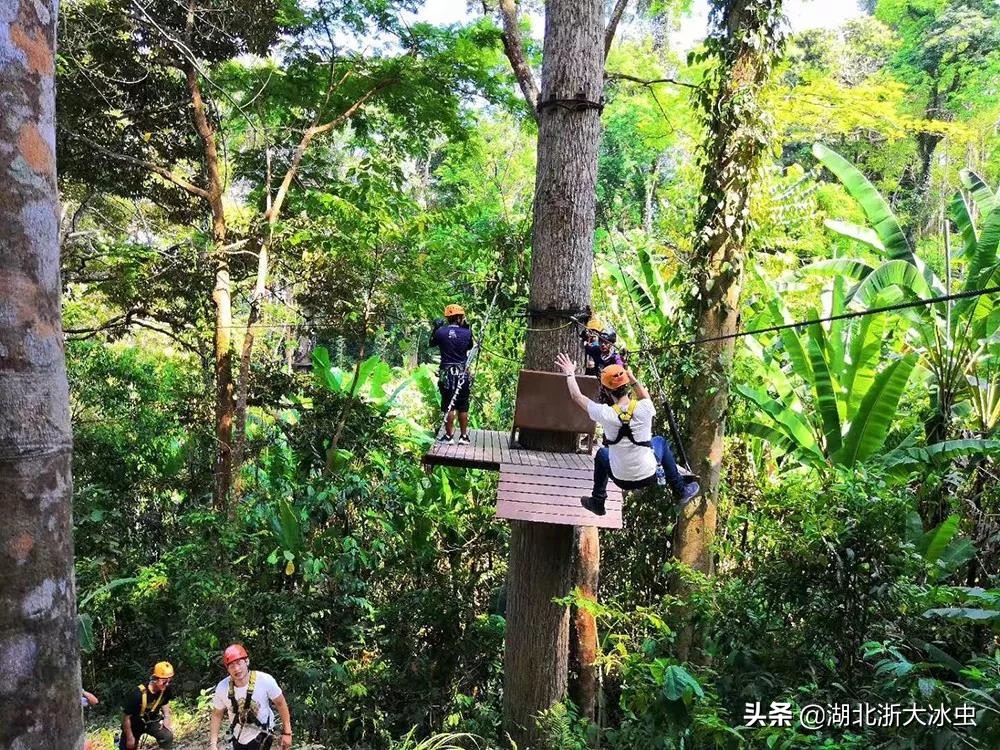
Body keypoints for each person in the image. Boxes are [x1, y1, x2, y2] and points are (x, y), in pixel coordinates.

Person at [555, 352, 700, 515]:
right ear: (627, 387)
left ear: (607, 391)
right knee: (660, 441)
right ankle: (679, 490)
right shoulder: (645, 408)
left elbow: (576, 396)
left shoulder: (605, 413)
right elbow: (645, 397)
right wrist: (633, 379)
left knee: (602, 453)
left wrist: (569, 372)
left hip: (621, 478)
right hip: (648, 473)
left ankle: (598, 500)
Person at [209, 644, 293, 750]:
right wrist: (213, 744)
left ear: (246, 661)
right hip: (239, 734)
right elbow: (217, 714)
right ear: (227, 669)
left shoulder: (265, 680)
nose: (237, 669)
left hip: (263, 732)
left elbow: (280, 703)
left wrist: (287, 733)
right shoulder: (223, 688)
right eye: (231, 666)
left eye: (239, 663)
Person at [429, 303, 475, 445]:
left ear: (448, 318)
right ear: (460, 317)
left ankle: (449, 437)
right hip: (462, 374)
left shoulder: (440, 332)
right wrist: (466, 330)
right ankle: (464, 436)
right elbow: (470, 346)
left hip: (447, 375)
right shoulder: (467, 333)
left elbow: (431, 343)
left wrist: (436, 328)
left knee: (449, 404)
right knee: (463, 405)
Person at [119, 661, 175, 750]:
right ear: (155, 678)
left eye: (170, 681)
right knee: (129, 746)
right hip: (133, 724)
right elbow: (126, 717)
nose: (167, 684)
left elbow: (165, 702)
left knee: (167, 736)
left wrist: (167, 718)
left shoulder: (166, 690)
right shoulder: (137, 694)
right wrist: (130, 737)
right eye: (164, 682)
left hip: (151, 721)